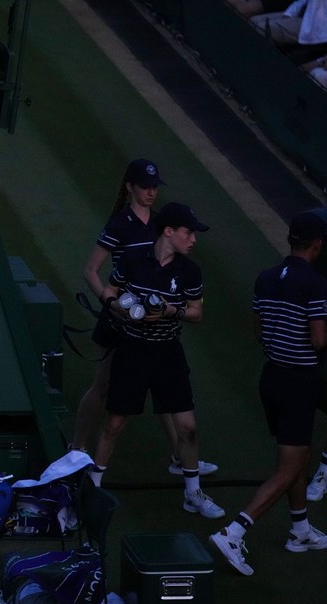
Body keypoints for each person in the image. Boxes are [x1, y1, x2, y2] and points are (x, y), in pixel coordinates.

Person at [72, 160, 218, 478]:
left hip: (152, 324)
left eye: (155, 187)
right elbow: (91, 271)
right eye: (145, 186)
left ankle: (179, 457)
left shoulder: (161, 223)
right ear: (130, 187)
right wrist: (113, 305)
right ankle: (77, 448)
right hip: (120, 320)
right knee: (102, 387)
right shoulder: (119, 225)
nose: (151, 192)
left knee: (162, 390)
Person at [88, 203, 225, 520]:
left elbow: (197, 313)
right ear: (169, 231)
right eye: (188, 233)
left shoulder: (189, 271)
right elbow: (110, 289)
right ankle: (91, 488)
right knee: (114, 424)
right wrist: (119, 308)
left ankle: (193, 494)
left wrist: (170, 311)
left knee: (187, 427)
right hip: (132, 351)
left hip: (168, 353)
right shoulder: (133, 259)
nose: (193, 240)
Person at [210, 211, 327, 576]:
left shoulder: (266, 278)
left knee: (299, 454)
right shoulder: (315, 283)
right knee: (290, 465)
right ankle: (234, 531)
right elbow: (319, 340)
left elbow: (259, 330)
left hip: (271, 379)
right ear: (317, 244)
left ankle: (300, 529)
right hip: (298, 383)